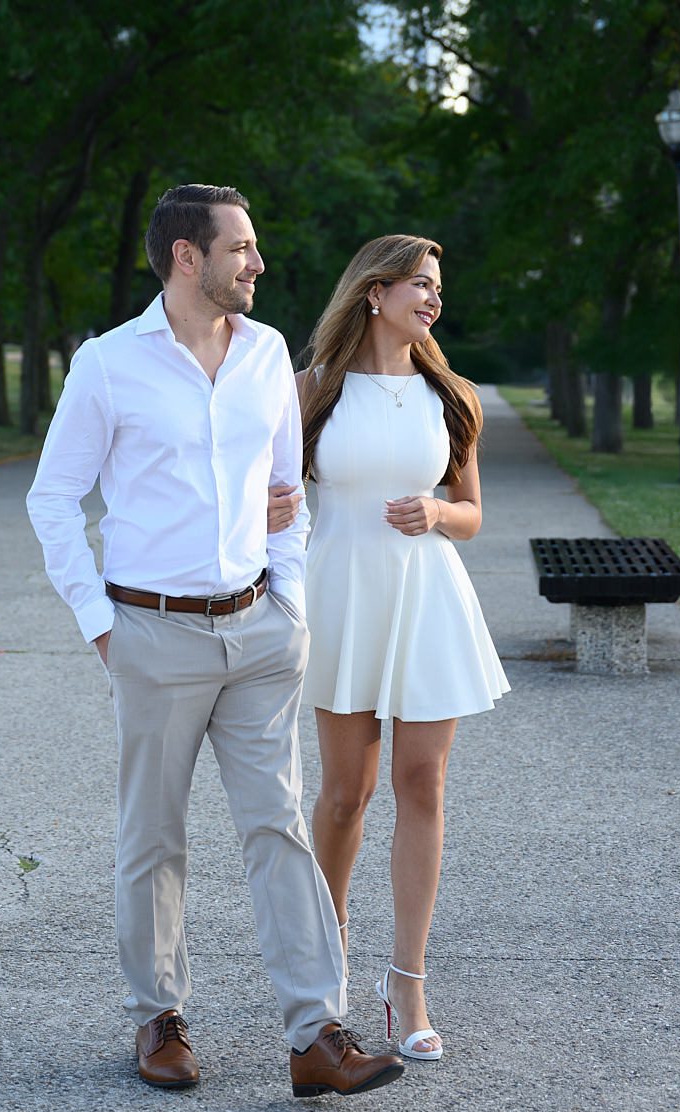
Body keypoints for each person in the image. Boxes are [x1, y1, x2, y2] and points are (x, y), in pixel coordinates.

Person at [26, 185, 404, 1098]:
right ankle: (157, 1019)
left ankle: (316, 1036)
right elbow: (52, 498)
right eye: (241, 247)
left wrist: (291, 601)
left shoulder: (269, 353)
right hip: (150, 631)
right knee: (152, 837)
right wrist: (102, 626)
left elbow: (286, 492)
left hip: (259, 632)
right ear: (186, 258)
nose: (258, 263)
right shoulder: (109, 365)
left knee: (278, 829)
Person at [294, 234, 510, 1062]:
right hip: (340, 596)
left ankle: (406, 982)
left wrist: (436, 515)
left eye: (437, 288)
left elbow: (470, 512)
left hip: (426, 600)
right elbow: (264, 490)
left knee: (422, 783)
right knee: (346, 792)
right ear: (374, 292)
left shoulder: (450, 396)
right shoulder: (311, 390)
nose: (432, 300)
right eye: (420, 285)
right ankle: (325, 963)